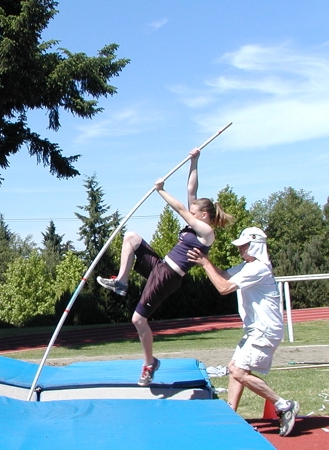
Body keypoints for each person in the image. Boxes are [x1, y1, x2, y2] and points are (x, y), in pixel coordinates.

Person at [97, 148, 234, 386]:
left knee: (138, 320)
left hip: (169, 276)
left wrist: (161, 191)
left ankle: (149, 364)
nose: (189, 213)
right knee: (131, 237)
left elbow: (180, 209)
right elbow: (191, 189)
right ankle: (121, 282)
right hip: (161, 266)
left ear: (203, 215)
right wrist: (194, 161)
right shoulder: (197, 222)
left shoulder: (206, 232)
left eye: (194, 212)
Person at [187, 227, 299, 437]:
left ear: (256, 246)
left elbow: (223, 287)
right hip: (257, 329)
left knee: (239, 371)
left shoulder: (257, 268)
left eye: (244, 246)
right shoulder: (248, 266)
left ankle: (284, 405)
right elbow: (223, 274)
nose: (240, 249)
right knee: (234, 369)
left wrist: (205, 263)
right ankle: (230, 416)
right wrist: (205, 260)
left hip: (264, 329)